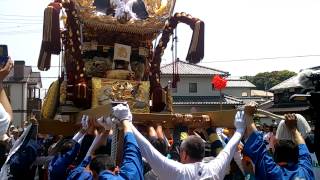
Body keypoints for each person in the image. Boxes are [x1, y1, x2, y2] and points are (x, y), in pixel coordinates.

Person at [129, 104, 250, 180]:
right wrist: (240, 128)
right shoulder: (215, 168)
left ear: (185, 154)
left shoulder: (177, 171)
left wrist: (126, 121)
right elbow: (229, 149)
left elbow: (148, 151)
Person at [68, 103, 144, 180]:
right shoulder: (129, 176)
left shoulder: (77, 177)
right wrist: (125, 121)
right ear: (117, 170)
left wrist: (107, 129)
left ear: (93, 174)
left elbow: (89, 157)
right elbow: (132, 151)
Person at [243, 102, 315, 180]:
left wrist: (248, 115)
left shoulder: (272, 172)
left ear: (275, 155)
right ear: (297, 154)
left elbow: (257, 145)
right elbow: (303, 148)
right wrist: (293, 129)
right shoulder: (305, 170)